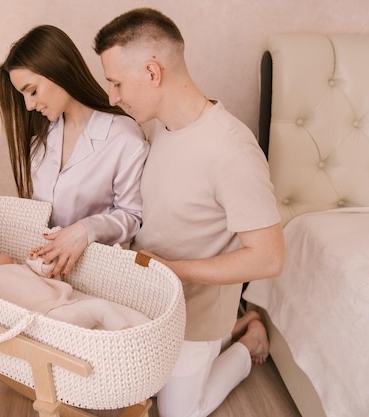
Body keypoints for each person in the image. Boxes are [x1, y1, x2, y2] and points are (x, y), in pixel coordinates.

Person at [94, 8, 285, 417]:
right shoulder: (160, 125)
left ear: (151, 72)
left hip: (196, 309)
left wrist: (177, 270)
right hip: (154, 293)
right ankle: (238, 328)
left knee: (179, 413)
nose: (112, 97)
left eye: (115, 83)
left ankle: (248, 340)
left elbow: (270, 258)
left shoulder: (232, 150)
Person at [0, 25, 149, 279]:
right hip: (40, 268)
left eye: (32, 91)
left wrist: (85, 230)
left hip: (92, 274)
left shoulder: (123, 137)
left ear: (60, 71)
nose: (29, 105)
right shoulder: (42, 137)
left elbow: (133, 217)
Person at [0, 248, 150, 330]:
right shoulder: (6, 272)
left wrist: (38, 260)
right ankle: (126, 336)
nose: (11, 257)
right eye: (4, 254)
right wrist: (35, 262)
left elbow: (46, 271)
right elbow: (47, 272)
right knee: (100, 306)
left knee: (90, 316)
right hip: (56, 312)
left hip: (40, 325)